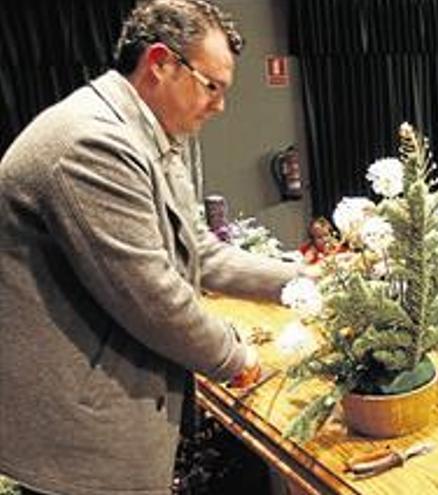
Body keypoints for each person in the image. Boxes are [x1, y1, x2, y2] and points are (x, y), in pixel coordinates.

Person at [0, 2, 305, 494]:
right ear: (160, 63)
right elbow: (150, 297)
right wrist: (237, 358)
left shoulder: (148, 134)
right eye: (213, 87)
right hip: (81, 445)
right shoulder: (91, 142)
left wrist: (300, 283)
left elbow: (199, 250)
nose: (220, 106)